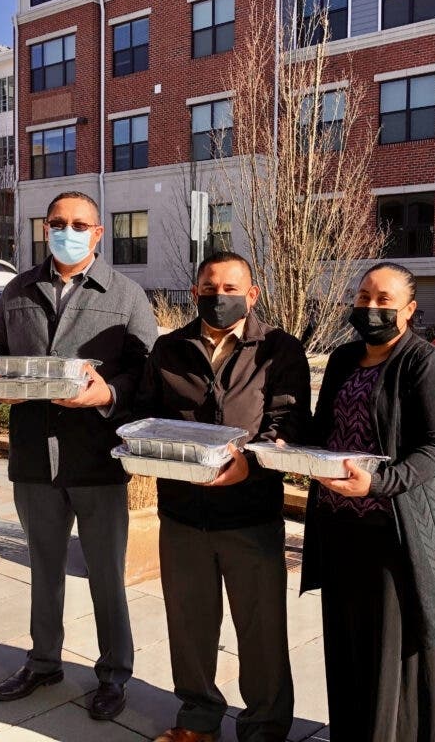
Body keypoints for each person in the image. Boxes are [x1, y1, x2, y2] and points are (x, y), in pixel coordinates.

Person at [0, 191, 158, 721]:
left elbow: (147, 374)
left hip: (96, 458)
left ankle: (113, 673)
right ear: (45, 228)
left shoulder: (126, 294)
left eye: (80, 224)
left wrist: (108, 394)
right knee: (43, 568)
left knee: (106, 575)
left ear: (98, 233)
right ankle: (43, 662)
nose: (67, 231)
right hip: (34, 456)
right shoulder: (18, 290)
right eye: (58, 223)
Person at [136, 251, 311, 742]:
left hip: (250, 514)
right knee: (189, 627)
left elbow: (290, 421)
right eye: (210, 289)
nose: (219, 297)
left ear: (252, 295)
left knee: (261, 630)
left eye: (231, 289)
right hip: (182, 515)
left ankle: (264, 727)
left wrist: (250, 464)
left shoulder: (279, 349)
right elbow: (146, 415)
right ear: (195, 293)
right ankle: (197, 720)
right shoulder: (169, 349)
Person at [299, 263, 435, 742]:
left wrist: (378, 484)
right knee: (349, 652)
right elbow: (324, 429)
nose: (370, 307)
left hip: (395, 539)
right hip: (340, 531)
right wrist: (291, 447)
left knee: (393, 659)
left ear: (409, 310)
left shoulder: (428, 364)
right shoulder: (344, 359)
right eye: (363, 297)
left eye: (384, 300)